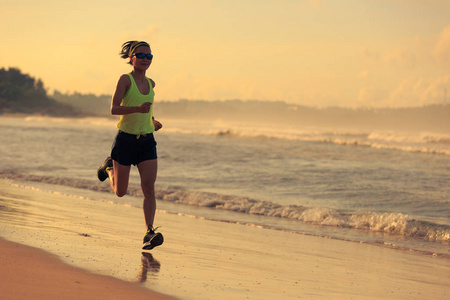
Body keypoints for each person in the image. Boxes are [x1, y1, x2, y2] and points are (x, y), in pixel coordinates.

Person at [97, 41, 163, 250]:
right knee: (120, 192)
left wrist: (152, 121)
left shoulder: (151, 83)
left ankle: (149, 232)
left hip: (146, 141)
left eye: (149, 56)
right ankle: (108, 167)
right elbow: (114, 109)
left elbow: (147, 110)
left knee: (149, 188)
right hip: (125, 140)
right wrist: (137, 109)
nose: (145, 59)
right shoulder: (125, 80)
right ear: (131, 58)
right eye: (141, 55)